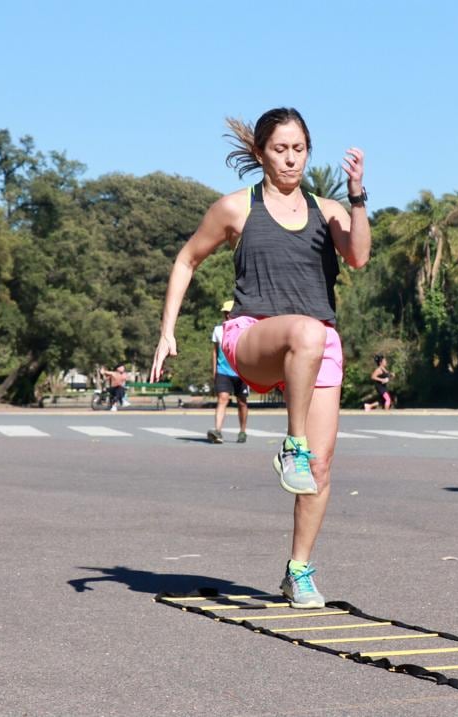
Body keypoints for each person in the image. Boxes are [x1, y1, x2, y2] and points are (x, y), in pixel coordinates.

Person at [150, 107, 370, 609]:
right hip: (252, 337)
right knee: (307, 332)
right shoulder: (236, 208)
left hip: (315, 348)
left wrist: (357, 196)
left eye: (299, 150)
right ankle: (291, 445)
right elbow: (187, 259)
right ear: (260, 153)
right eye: (279, 149)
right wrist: (167, 331)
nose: (290, 160)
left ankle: (299, 571)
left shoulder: (329, 209)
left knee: (323, 466)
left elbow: (358, 256)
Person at [208, 300, 250, 443]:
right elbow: (215, 353)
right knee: (222, 399)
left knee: (242, 402)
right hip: (223, 371)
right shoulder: (218, 330)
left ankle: (243, 431)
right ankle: (218, 431)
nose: (227, 315)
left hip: (241, 372)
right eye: (225, 313)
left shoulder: (245, 329)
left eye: (229, 313)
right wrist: (214, 371)